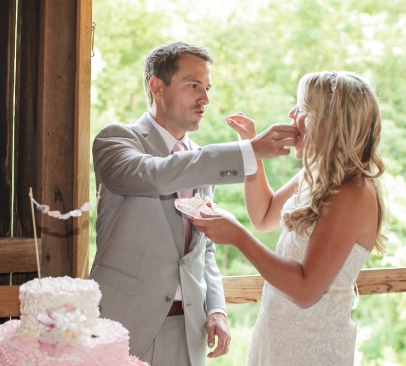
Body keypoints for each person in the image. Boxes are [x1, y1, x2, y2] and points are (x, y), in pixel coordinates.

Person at [89, 41, 296, 366]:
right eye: (193, 86)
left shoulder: (200, 159)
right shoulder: (116, 139)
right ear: (157, 86)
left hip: (190, 331)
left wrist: (216, 308)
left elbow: (204, 248)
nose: (205, 99)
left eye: (207, 88)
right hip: (123, 325)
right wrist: (247, 151)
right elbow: (153, 174)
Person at [192, 71, 386, 365]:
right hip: (276, 340)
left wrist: (238, 237)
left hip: (310, 348)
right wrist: (251, 149)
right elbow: (265, 214)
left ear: (329, 122)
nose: (291, 114)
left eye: (303, 109)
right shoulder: (315, 176)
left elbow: (305, 289)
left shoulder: (352, 193)